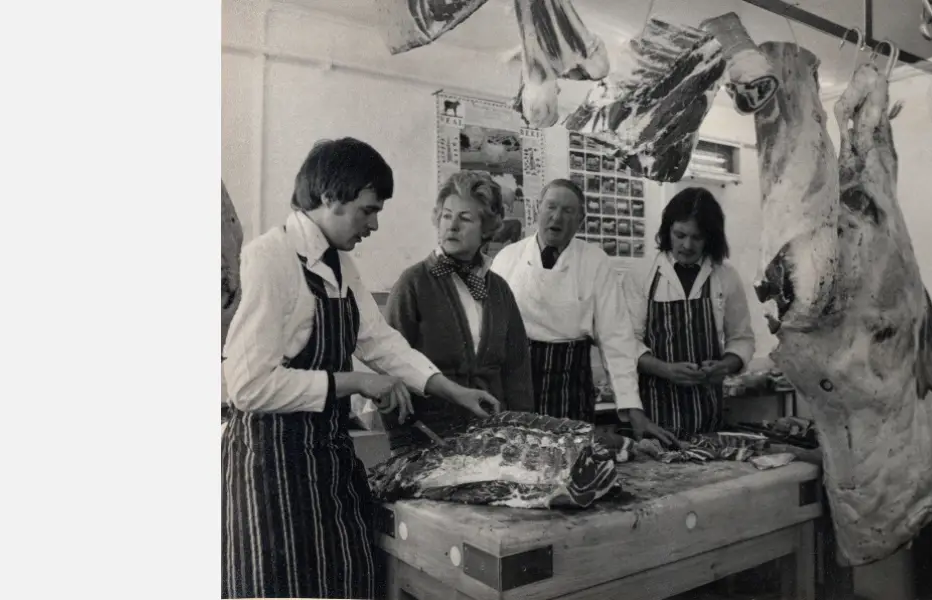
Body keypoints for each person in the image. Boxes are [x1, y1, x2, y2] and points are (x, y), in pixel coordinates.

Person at [220, 138, 501, 599]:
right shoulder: (270, 258)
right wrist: (358, 382)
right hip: (271, 468)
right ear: (331, 197)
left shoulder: (341, 264)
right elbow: (247, 387)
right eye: (368, 211)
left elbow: (381, 342)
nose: (374, 225)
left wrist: (452, 391)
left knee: (350, 579)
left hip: (325, 457)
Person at [490, 179, 675, 445]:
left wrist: (633, 408)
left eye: (568, 211)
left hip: (570, 386)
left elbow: (616, 339)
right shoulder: (507, 258)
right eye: (551, 207)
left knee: (572, 464)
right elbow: (489, 332)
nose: (557, 217)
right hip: (516, 384)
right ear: (537, 211)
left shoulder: (595, 262)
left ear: (580, 220)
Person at [384, 172, 534, 447]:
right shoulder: (413, 283)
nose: (452, 226)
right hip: (427, 437)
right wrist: (403, 440)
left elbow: (517, 372)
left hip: (492, 436)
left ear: (486, 228)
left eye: (464, 218)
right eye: (446, 216)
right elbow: (389, 366)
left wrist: (520, 432)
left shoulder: (499, 289)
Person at [623, 187, 756, 439]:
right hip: (655, 417)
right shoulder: (641, 274)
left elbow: (742, 338)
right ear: (667, 231)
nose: (687, 245)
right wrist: (665, 369)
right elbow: (627, 343)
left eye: (697, 237)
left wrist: (724, 366)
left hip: (708, 414)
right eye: (680, 234)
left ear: (710, 238)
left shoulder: (725, 275)